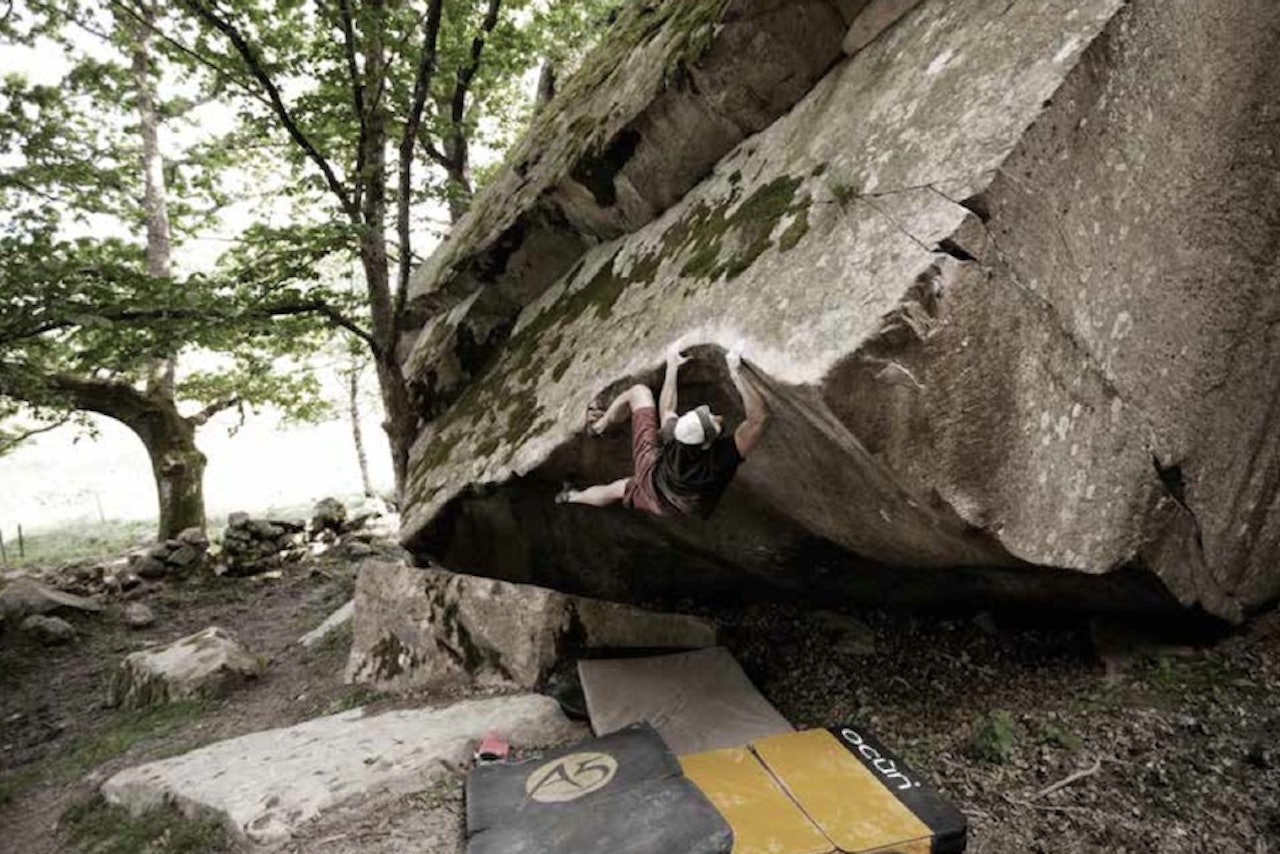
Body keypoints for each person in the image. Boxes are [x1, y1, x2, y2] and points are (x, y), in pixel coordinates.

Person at [556, 346, 769, 518]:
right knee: (617, 490)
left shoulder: (673, 434)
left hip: (655, 479)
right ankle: (571, 495)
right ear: (705, 445)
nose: (717, 415)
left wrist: (672, 368)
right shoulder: (717, 462)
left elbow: (667, 409)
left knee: (639, 393)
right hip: (671, 504)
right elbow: (759, 419)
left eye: (709, 416)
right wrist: (736, 373)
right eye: (712, 419)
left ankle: (597, 428)